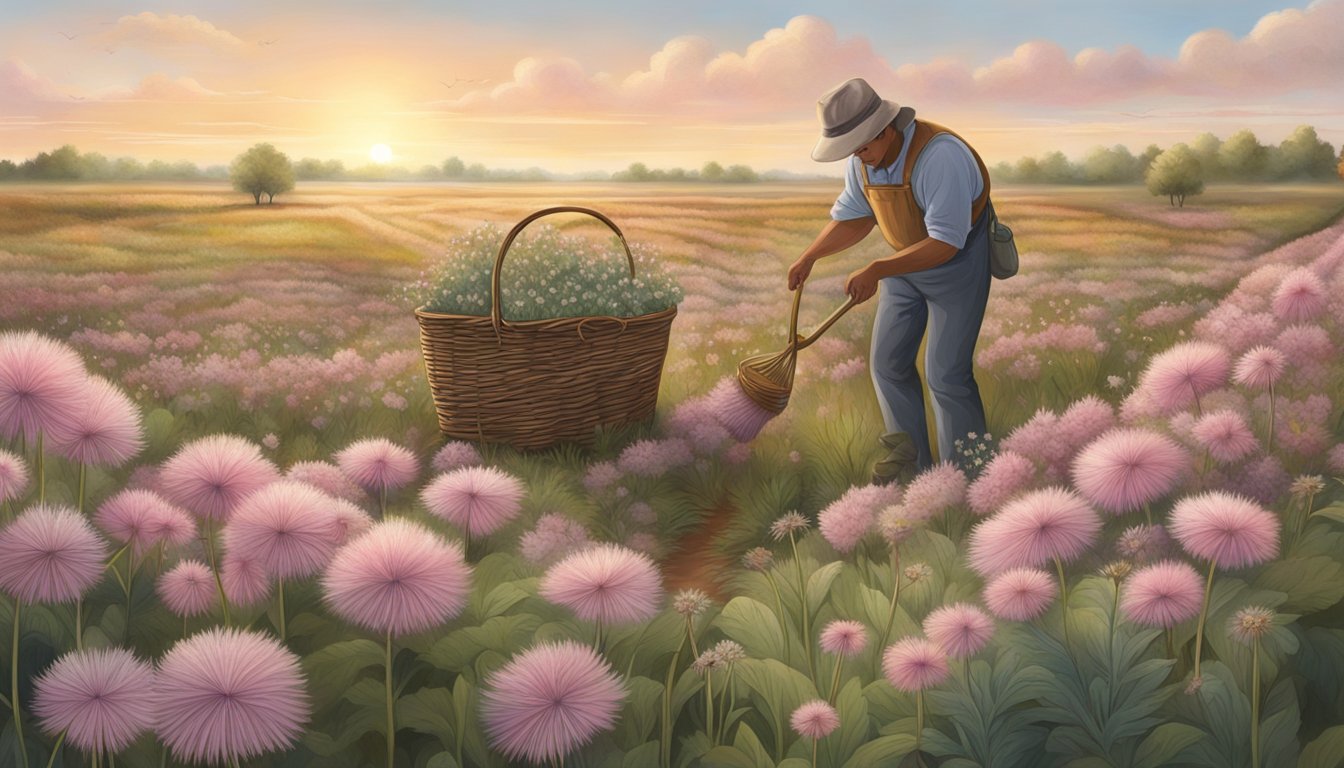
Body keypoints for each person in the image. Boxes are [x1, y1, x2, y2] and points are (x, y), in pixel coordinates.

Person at [788, 77, 992, 485]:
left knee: (946, 374)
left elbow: (946, 243)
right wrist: (811, 255)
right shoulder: (863, 160)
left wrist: (879, 269)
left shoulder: (941, 156)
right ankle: (910, 465)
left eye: (863, 146)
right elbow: (855, 216)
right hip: (902, 265)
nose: (859, 158)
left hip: (957, 264)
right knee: (888, 363)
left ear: (886, 129)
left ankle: (970, 476)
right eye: (851, 150)